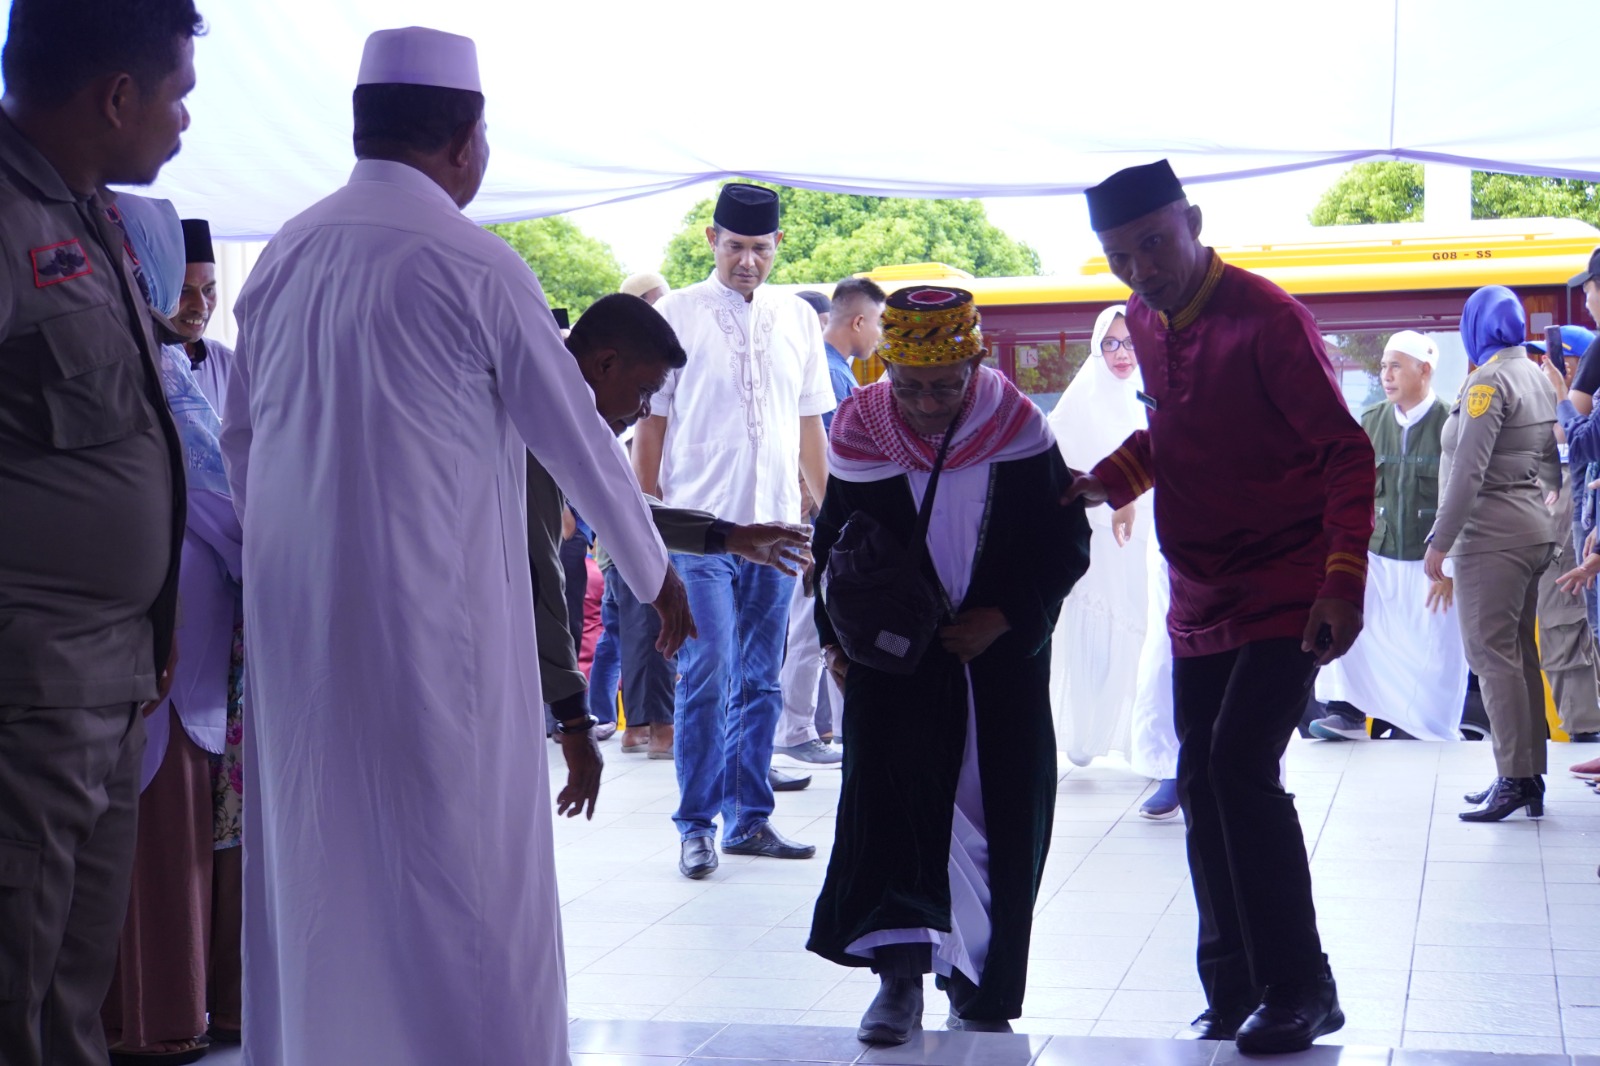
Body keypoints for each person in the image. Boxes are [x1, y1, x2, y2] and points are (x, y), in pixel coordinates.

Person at [219, 28, 693, 1066]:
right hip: (438, 639)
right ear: (466, 142)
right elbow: (580, 437)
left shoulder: (286, 256)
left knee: (321, 872)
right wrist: (655, 576)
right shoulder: (476, 263)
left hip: (302, 636)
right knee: (464, 889)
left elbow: (241, 449)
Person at [1067, 160, 1375, 1054]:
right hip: (1197, 591)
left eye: (1154, 245)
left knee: (1240, 767)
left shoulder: (1270, 319)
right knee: (1202, 780)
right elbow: (1169, 430)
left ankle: (1302, 989)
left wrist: (1341, 581)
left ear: (1192, 221)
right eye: (1120, 257)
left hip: (1287, 586)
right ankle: (1235, 983)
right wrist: (1107, 480)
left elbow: (1346, 454)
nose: (1141, 270)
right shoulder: (1139, 321)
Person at [807, 286, 1090, 1044]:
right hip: (895, 672)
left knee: (996, 821)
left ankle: (982, 983)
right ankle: (898, 984)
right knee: (894, 813)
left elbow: (1065, 547)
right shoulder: (860, 432)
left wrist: (1007, 618)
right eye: (910, 386)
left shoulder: (1020, 430)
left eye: (944, 385)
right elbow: (833, 545)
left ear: (975, 364)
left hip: (998, 667)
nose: (927, 403)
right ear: (885, 370)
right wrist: (836, 638)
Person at [0, 3, 200, 1064]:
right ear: (116, 96)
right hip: (31, 682)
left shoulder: (89, 214)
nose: (181, 124)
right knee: (12, 983)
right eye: (176, 97)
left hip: (111, 677)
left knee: (73, 995)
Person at [632, 183, 835, 879]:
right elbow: (651, 422)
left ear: (778, 246)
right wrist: (644, 516)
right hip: (699, 532)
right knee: (709, 671)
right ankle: (696, 823)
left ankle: (751, 819)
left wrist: (824, 510)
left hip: (777, 530)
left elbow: (811, 421)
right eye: (736, 246)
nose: (748, 261)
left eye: (761, 248)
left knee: (761, 679)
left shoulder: (799, 318)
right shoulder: (677, 315)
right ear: (711, 241)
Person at [528, 295, 811, 767]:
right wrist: (574, 720)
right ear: (605, 364)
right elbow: (540, 573)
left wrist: (729, 535)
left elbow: (623, 505)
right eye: (644, 390)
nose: (644, 411)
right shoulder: (533, 419)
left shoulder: (564, 411)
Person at [1423, 286, 1560, 823]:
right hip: (1532, 532)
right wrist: (1548, 489)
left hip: (1490, 539)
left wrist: (1440, 539)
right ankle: (1528, 776)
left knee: (1492, 659)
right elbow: (1550, 454)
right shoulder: (1532, 373)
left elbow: (1468, 471)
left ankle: (1513, 778)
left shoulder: (1487, 382)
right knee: (1520, 657)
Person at [1308, 330, 1469, 744]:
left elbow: (1467, 496)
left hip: (1430, 561)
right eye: (1382, 366)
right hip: (1376, 555)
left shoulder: (1452, 422)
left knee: (1434, 649)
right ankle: (1345, 713)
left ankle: (1421, 726)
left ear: (1425, 370)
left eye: (1396, 365)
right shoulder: (1370, 422)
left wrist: (1452, 567)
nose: (1386, 374)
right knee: (1354, 625)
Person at [776, 276, 887, 769]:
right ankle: (796, 728)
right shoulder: (834, 375)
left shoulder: (828, 368)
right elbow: (824, 461)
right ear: (858, 320)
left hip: (818, 518)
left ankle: (824, 728)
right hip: (823, 521)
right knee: (814, 628)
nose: (881, 337)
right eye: (880, 324)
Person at [1048, 306, 1156, 778]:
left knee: (1145, 627)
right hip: (1096, 537)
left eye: (1130, 342)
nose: (1121, 353)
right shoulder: (1080, 398)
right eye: (1110, 343)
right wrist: (1109, 500)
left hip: (1151, 536)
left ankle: (1142, 739)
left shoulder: (1155, 393)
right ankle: (1087, 731)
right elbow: (1060, 464)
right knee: (1096, 632)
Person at [1531, 327, 1600, 744]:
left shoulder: (1576, 410)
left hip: (1574, 530)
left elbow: (1570, 440)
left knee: (1565, 625)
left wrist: (1562, 395)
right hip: (1561, 527)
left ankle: (1585, 728)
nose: (1544, 367)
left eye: (1554, 361)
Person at [173, 217, 233, 413]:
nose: (201, 306)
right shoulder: (135, 367)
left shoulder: (231, 367)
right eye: (184, 290)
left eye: (208, 290)